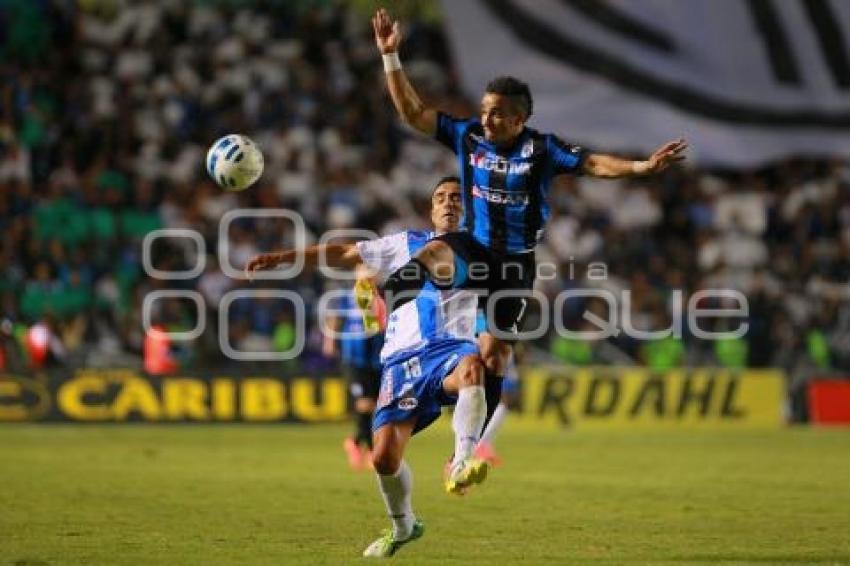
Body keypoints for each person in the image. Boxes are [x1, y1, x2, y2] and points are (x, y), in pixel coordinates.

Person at [371, 8, 687, 431]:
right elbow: (413, 113)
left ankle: (468, 450)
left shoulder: (542, 150)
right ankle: (380, 300)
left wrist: (640, 168)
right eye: (485, 110)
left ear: (519, 119)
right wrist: (391, 56)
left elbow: (593, 163)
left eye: (498, 113)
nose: (487, 119)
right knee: (433, 252)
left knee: (496, 355)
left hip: (515, 264)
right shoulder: (467, 136)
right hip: (475, 245)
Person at [246, 178, 490, 558]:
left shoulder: (481, 251)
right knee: (383, 459)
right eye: (441, 197)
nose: (449, 203)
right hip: (400, 360)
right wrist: (282, 258)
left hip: (449, 349)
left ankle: (461, 461)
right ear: (430, 208)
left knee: (473, 367)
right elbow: (344, 253)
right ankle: (403, 526)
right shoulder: (404, 243)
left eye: (457, 198)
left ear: (468, 209)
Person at [323, 272, 384, 471]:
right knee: (364, 403)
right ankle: (372, 450)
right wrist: (330, 341)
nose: (369, 275)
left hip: (376, 357)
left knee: (374, 404)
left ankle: (357, 442)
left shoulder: (381, 297)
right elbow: (335, 319)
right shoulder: (347, 297)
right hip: (353, 357)